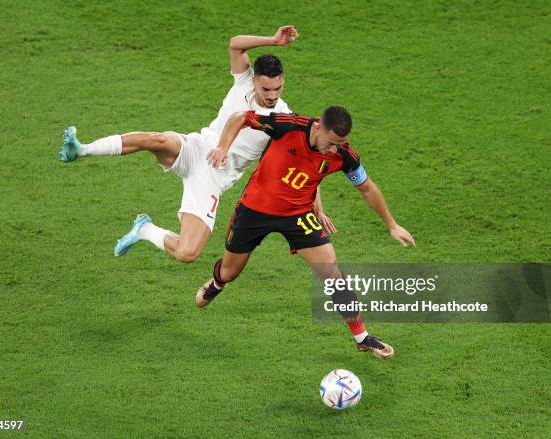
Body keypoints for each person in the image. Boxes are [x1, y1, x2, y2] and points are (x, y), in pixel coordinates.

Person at [59, 26, 335, 263]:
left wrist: (317, 207)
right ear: (254, 81)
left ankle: (144, 230)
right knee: (154, 139)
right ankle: (81, 149)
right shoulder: (243, 82)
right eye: (266, 89)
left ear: (283, 83)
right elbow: (235, 44)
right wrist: (273, 41)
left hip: (211, 181)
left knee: (187, 253)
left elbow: (306, 162)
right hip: (196, 149)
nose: (272, 95)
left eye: (277, 89)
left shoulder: (284, 120)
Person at [196, 106, 416, 359]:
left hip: (297, 215)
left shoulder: (344, 155)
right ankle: (218, 282)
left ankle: (362, 337)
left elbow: (366, 188)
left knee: (332, 272)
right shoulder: (288, 126)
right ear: (317, 127)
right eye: (332, 142)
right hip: (255, 210)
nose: (334, 149)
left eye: (341, 143)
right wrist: (223, 147)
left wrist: (392, 224)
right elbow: (241, 117)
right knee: (230, 270)